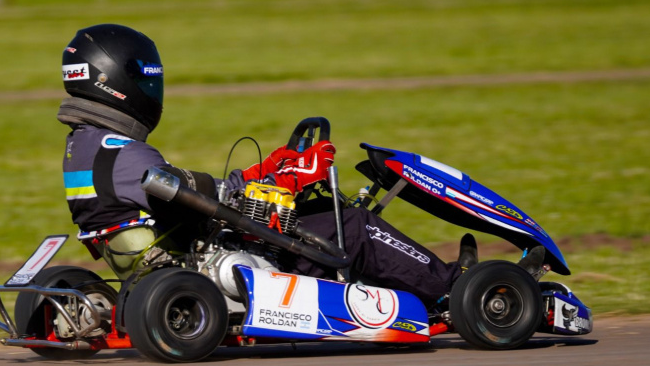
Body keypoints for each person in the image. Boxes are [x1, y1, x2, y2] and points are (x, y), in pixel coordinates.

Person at [56, 23, 484, 306]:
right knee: (352, 225)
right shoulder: (122, 151)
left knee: (322, 218)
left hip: (171, 255)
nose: (153, 89)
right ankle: (456, 291)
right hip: (207, 260)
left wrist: (270, 171)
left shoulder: (84, 149)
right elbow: (215, 199)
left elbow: (201, 192)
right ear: (117, 82)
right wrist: (291, 178)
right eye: (147, 79)